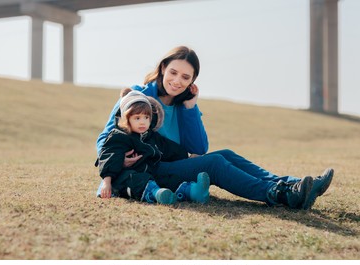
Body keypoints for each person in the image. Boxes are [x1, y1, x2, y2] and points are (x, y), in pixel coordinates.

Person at [96, 46, 334, 210]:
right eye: (173, 73)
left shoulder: (184, 104)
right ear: (163, 68)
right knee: (214, 163)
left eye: (186, 77)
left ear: (192, 81)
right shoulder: (136, 98)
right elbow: (105, 138)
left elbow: (199, 147)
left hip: (172, 163)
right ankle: (280, 195)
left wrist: (190, 107)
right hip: (149, 171)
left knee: (226, 154)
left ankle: (293, 184)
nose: (177, 81)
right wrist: (120, 161)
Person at [96, 90, 210, 204]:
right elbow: (110, 157)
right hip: (125, 179)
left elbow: (168, 148)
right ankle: (156, 194)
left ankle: (193, 191)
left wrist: (187, 156)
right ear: (127, 118)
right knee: (138, 180)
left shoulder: (150, 136)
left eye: (146, 117)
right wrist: (107, 183)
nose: (142, 122)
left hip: (150, 173)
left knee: (168, 179)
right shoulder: (119, 136)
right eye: (137, 118)